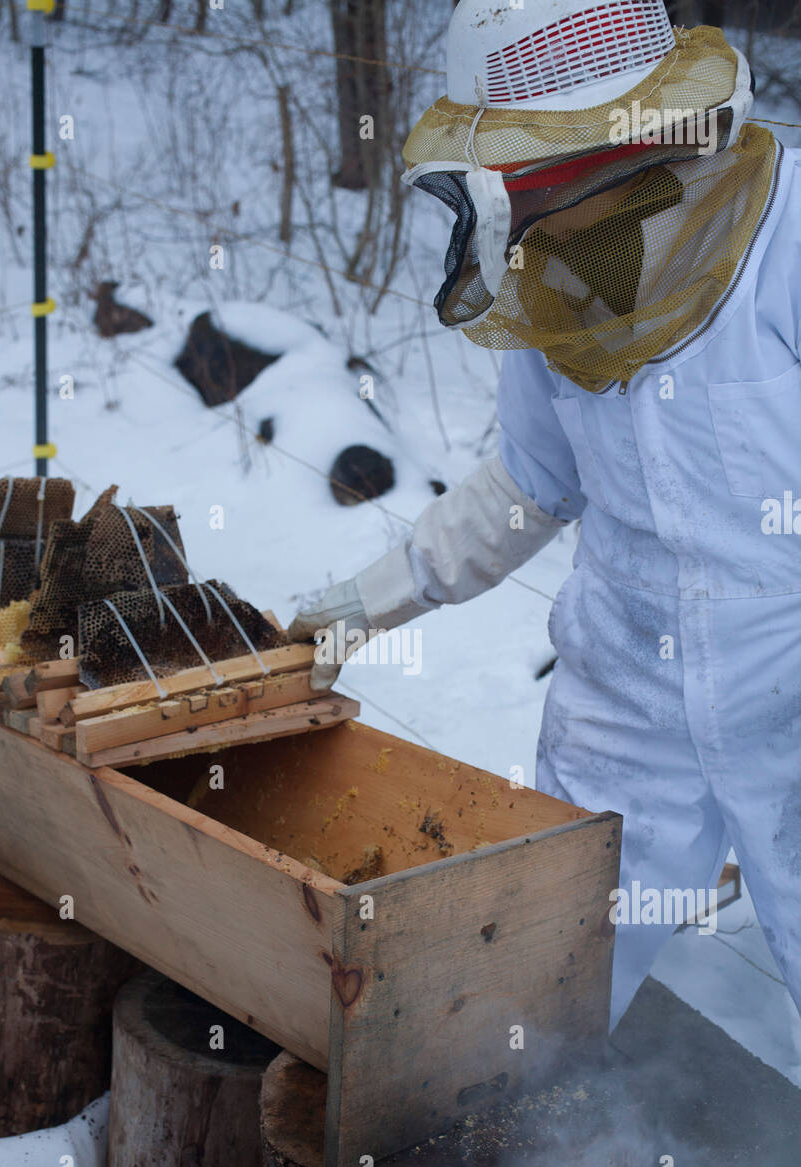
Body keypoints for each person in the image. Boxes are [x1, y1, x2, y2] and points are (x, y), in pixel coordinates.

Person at [290, 0, 801, 1029]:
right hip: (624, 682)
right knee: (553, 974)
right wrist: (363, 602)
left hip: (790, 683)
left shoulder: (785, 245)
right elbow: (530, 479)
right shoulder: (550, 278)